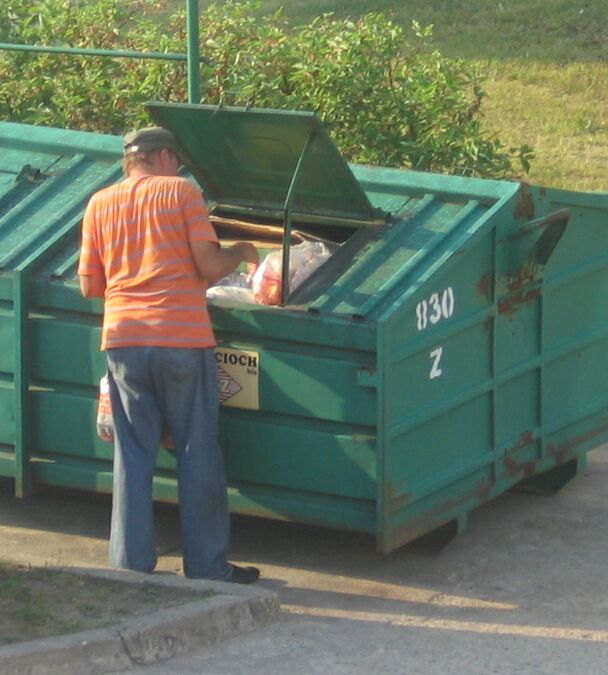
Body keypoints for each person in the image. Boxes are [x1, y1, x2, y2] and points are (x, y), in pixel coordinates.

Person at [78, 126, 260, 583]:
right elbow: (208, 265)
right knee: (197, 451)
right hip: (181, 339)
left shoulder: (99, 203)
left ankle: (130, 567)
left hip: (122, 341)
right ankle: (206, 568)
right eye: (175, 158)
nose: (177, 166)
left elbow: (89, 287)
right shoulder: (181, 192)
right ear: (162, 156)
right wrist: (240, 251)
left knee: (133, 454)